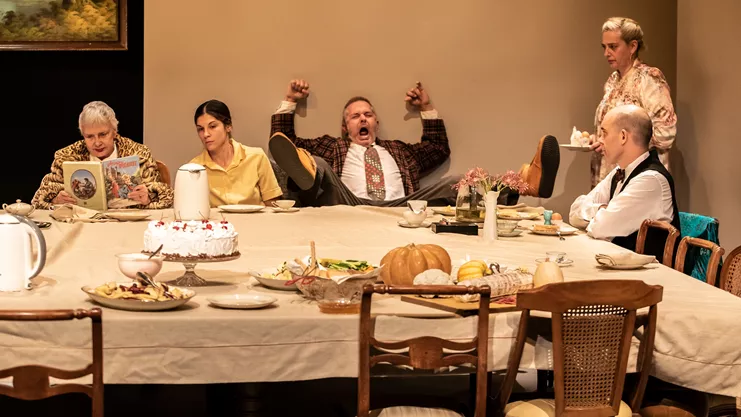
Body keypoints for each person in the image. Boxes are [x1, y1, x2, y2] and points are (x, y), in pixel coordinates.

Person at [269, 79, 559, 207]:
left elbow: (437, 148)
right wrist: (291, 100)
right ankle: (309, 181)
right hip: (350, 202)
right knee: (317, 163)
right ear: (346, 128)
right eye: (355, 116)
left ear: (376, 122)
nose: (363, 119)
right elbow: (285, 144)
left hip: (404, 206)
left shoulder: (398, 150)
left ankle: (523, 185)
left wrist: (426, 107)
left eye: (368, 114)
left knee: (457, 181)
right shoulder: (335, 146)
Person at [570, 104, 680, 262]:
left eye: (604, 133)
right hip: (619, 266)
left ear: (623, 137)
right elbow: (574, 211)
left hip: (650, 274)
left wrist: (597, 214)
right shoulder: (619, 171)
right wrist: (601, 209)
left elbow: (600, 227)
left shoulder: (651, 180)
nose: (600, 141)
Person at [587, 17, 677, 188]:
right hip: (611, 175)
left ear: (633, 46)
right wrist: (599, 138)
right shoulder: (612, 81)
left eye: (613, 46)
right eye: (604, 47)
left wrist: (622, 144)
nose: (606, 53)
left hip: (639, 177)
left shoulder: (649, 79)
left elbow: (665, 132)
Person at [32, 101, 173, 209]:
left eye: (103, 134)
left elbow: (166, 197)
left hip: (126, 224)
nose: (97, 142)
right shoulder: (66, 157)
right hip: (83, 224)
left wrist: (147, 198)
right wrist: (56, 200)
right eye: (90, 136)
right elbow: (38, 200)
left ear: (114, 132)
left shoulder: (139, 154)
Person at [190, 99, 283, 207]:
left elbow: (272, 205)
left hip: (255, 218)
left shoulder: (256, 157)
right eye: (200, 129)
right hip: (216, 218)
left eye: (212, 126)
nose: (206, 134)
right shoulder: (194, 168)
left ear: (228, 126)